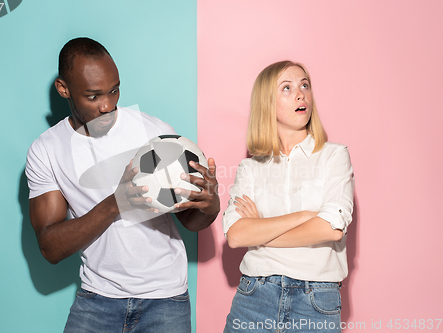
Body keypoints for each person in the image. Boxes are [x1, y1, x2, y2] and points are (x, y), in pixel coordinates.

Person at [25, 37, 220, 333]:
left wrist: (209, 205)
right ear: (64, 89)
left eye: (114, 90)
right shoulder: (47, 150)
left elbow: (189, 219)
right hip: (97, 298)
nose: (107, 105)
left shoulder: (153, 132)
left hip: (165, 299)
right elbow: (50, 247)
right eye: (93, 96)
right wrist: (116, 203)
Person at [222, 61, 354, 333]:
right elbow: (236, 235)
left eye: (304, 85)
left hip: (316, 301)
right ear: (266, 103)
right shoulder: (250, 168)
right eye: (287, 88)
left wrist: (260, 231)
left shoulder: (334, 156)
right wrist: (304, 217)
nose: (300, 94)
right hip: (254, 297)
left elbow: (331, 228)